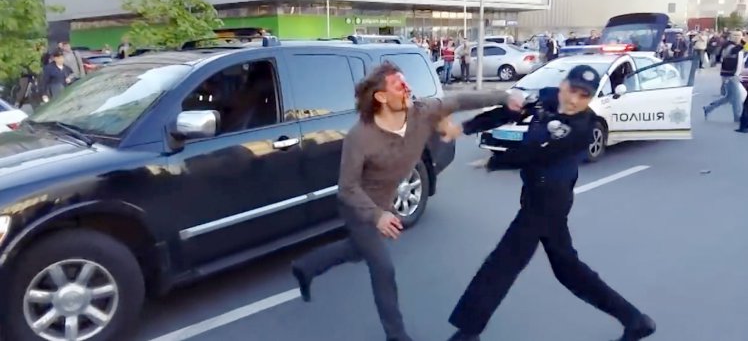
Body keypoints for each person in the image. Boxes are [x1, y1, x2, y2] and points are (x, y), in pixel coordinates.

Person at [289, 61, 522, 341]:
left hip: (385, 201)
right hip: (360, 208)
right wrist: (377, 216)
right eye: (399, 85)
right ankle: (396, 336)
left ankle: (306, 266)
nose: (408, 88)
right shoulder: (360, 137)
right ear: (381, 97)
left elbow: (460, 99)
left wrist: (504, 96)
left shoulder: (422, 113)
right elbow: (347, 188)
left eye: (406, 82)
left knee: (356, 251)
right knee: (382, 268)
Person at [441, 65, 656, 341]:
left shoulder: (582, 128)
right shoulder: (548, 98)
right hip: (537, 193)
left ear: (590, 98)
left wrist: (494, 161)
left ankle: (467, 332)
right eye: (572, 90)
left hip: (549, 201)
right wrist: (465, 128)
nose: (574, 99)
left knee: (502, 263)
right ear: (563, 85)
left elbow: (537, 154)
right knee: (568, 270)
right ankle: (635, 320)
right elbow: (509, 112)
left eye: (584, 95)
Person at [704, 30, 744, 123]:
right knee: (737, 97)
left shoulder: (733, 46)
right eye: (737, 36)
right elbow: (732, 52)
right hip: (730, 75)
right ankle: (738, 118)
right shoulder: (729, 46)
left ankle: (708, 108)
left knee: (729, 97)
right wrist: (743, 43)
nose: (739, 38)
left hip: (733, 74)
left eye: (740, 36)